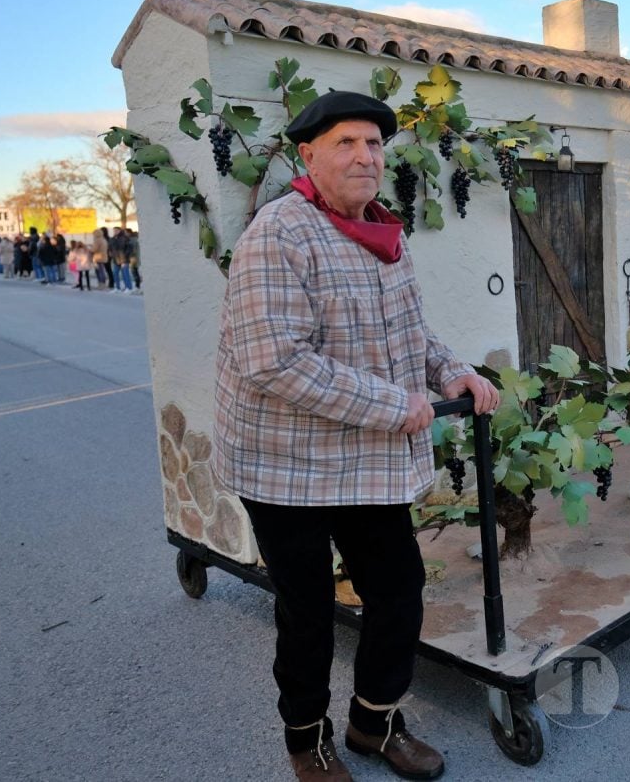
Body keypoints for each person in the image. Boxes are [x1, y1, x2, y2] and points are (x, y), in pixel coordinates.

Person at [212, 90, 499, 781]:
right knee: (308, 611)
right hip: (284, 463)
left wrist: (451, 370)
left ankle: (374, 723)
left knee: (398, 591)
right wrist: (391, 401)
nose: (366, 156)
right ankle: (306, 742)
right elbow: (273, 359)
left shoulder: (383, 232)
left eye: (374, 144)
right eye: (347, 142)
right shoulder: (279, 234)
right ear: (308, 154)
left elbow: (409, 328)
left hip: (361, 454)